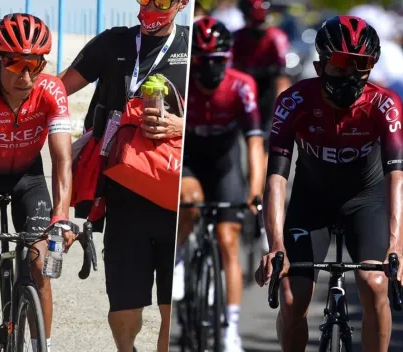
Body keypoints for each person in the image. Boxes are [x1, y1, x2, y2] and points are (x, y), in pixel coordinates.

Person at [255, 15, 403, 352]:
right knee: (292, 298)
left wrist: (397, 246)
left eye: (361, 66)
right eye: (341, 65)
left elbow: (397, 176)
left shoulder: (384, 104)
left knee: (376, 283)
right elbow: (276, 177)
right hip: (311, 204)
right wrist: (275, 244)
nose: (351, 75)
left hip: (367, 202)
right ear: (321, 64)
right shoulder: (293, 101)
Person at [58, 1, 189, 351]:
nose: (149, 6)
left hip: (175, 198)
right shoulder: (113, 42)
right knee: (123, 308)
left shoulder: (192, 48)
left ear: (182, 4)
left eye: (160, 0)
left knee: (172, 309)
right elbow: (58, 90)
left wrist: (182, 125)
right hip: (122, 194)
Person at [0, 13, 76, 352]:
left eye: (35, 65)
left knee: (40, 263)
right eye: (16, 65)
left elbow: (62, 158)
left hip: (28, 176)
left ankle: (43, 345)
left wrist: (61, 215)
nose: (26, 76)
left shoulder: (52, 90)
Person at [176, 17, 264, 352]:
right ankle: (180, 254)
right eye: (201, 61)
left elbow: (254, 143)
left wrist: (255, 191)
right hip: (190, 160)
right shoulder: (181, 84)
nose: (208, 68)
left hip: (225, 162)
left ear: (227, 59)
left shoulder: (241, 85)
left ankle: (231, 329)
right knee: (191, 198)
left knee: (229, 241)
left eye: (215, 62)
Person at [232, 0, 290, 164]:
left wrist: (281, 105)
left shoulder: (276, 36)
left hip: (267, 89)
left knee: (264, 134)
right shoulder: (238, 36)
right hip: (243, 88)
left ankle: (261, 171)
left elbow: (282, 74)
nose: (257, 30)